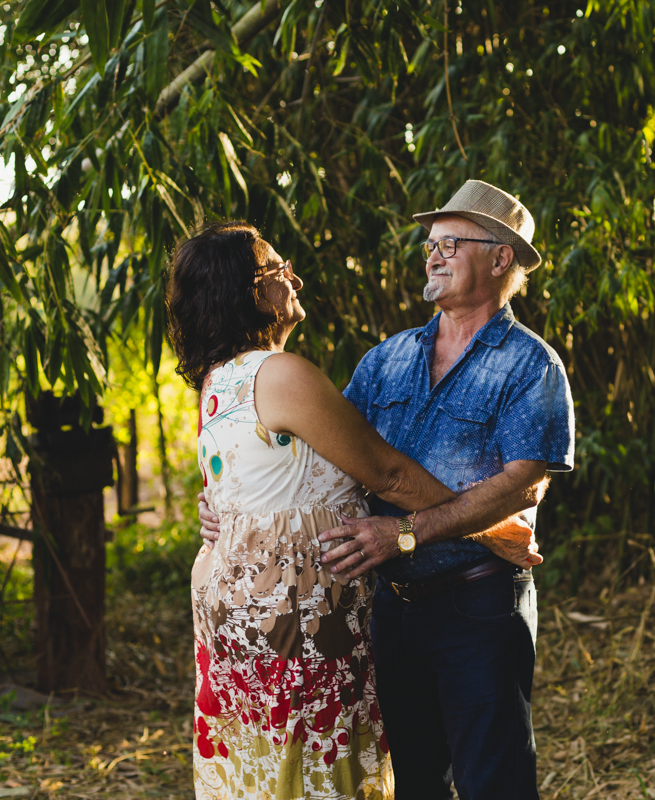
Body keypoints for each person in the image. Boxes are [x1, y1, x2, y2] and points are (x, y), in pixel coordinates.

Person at [199, 180, 575, 799]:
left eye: (452, 243)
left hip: (478, 602)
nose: (434, 254)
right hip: (390, 607)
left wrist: (407, 531)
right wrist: (227, 499)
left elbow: (522, 487)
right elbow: (324, 462)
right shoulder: (386, 360)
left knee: (494, 780)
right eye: (431, 243)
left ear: (501, 257)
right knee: (412, 782)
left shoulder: (532, 365)